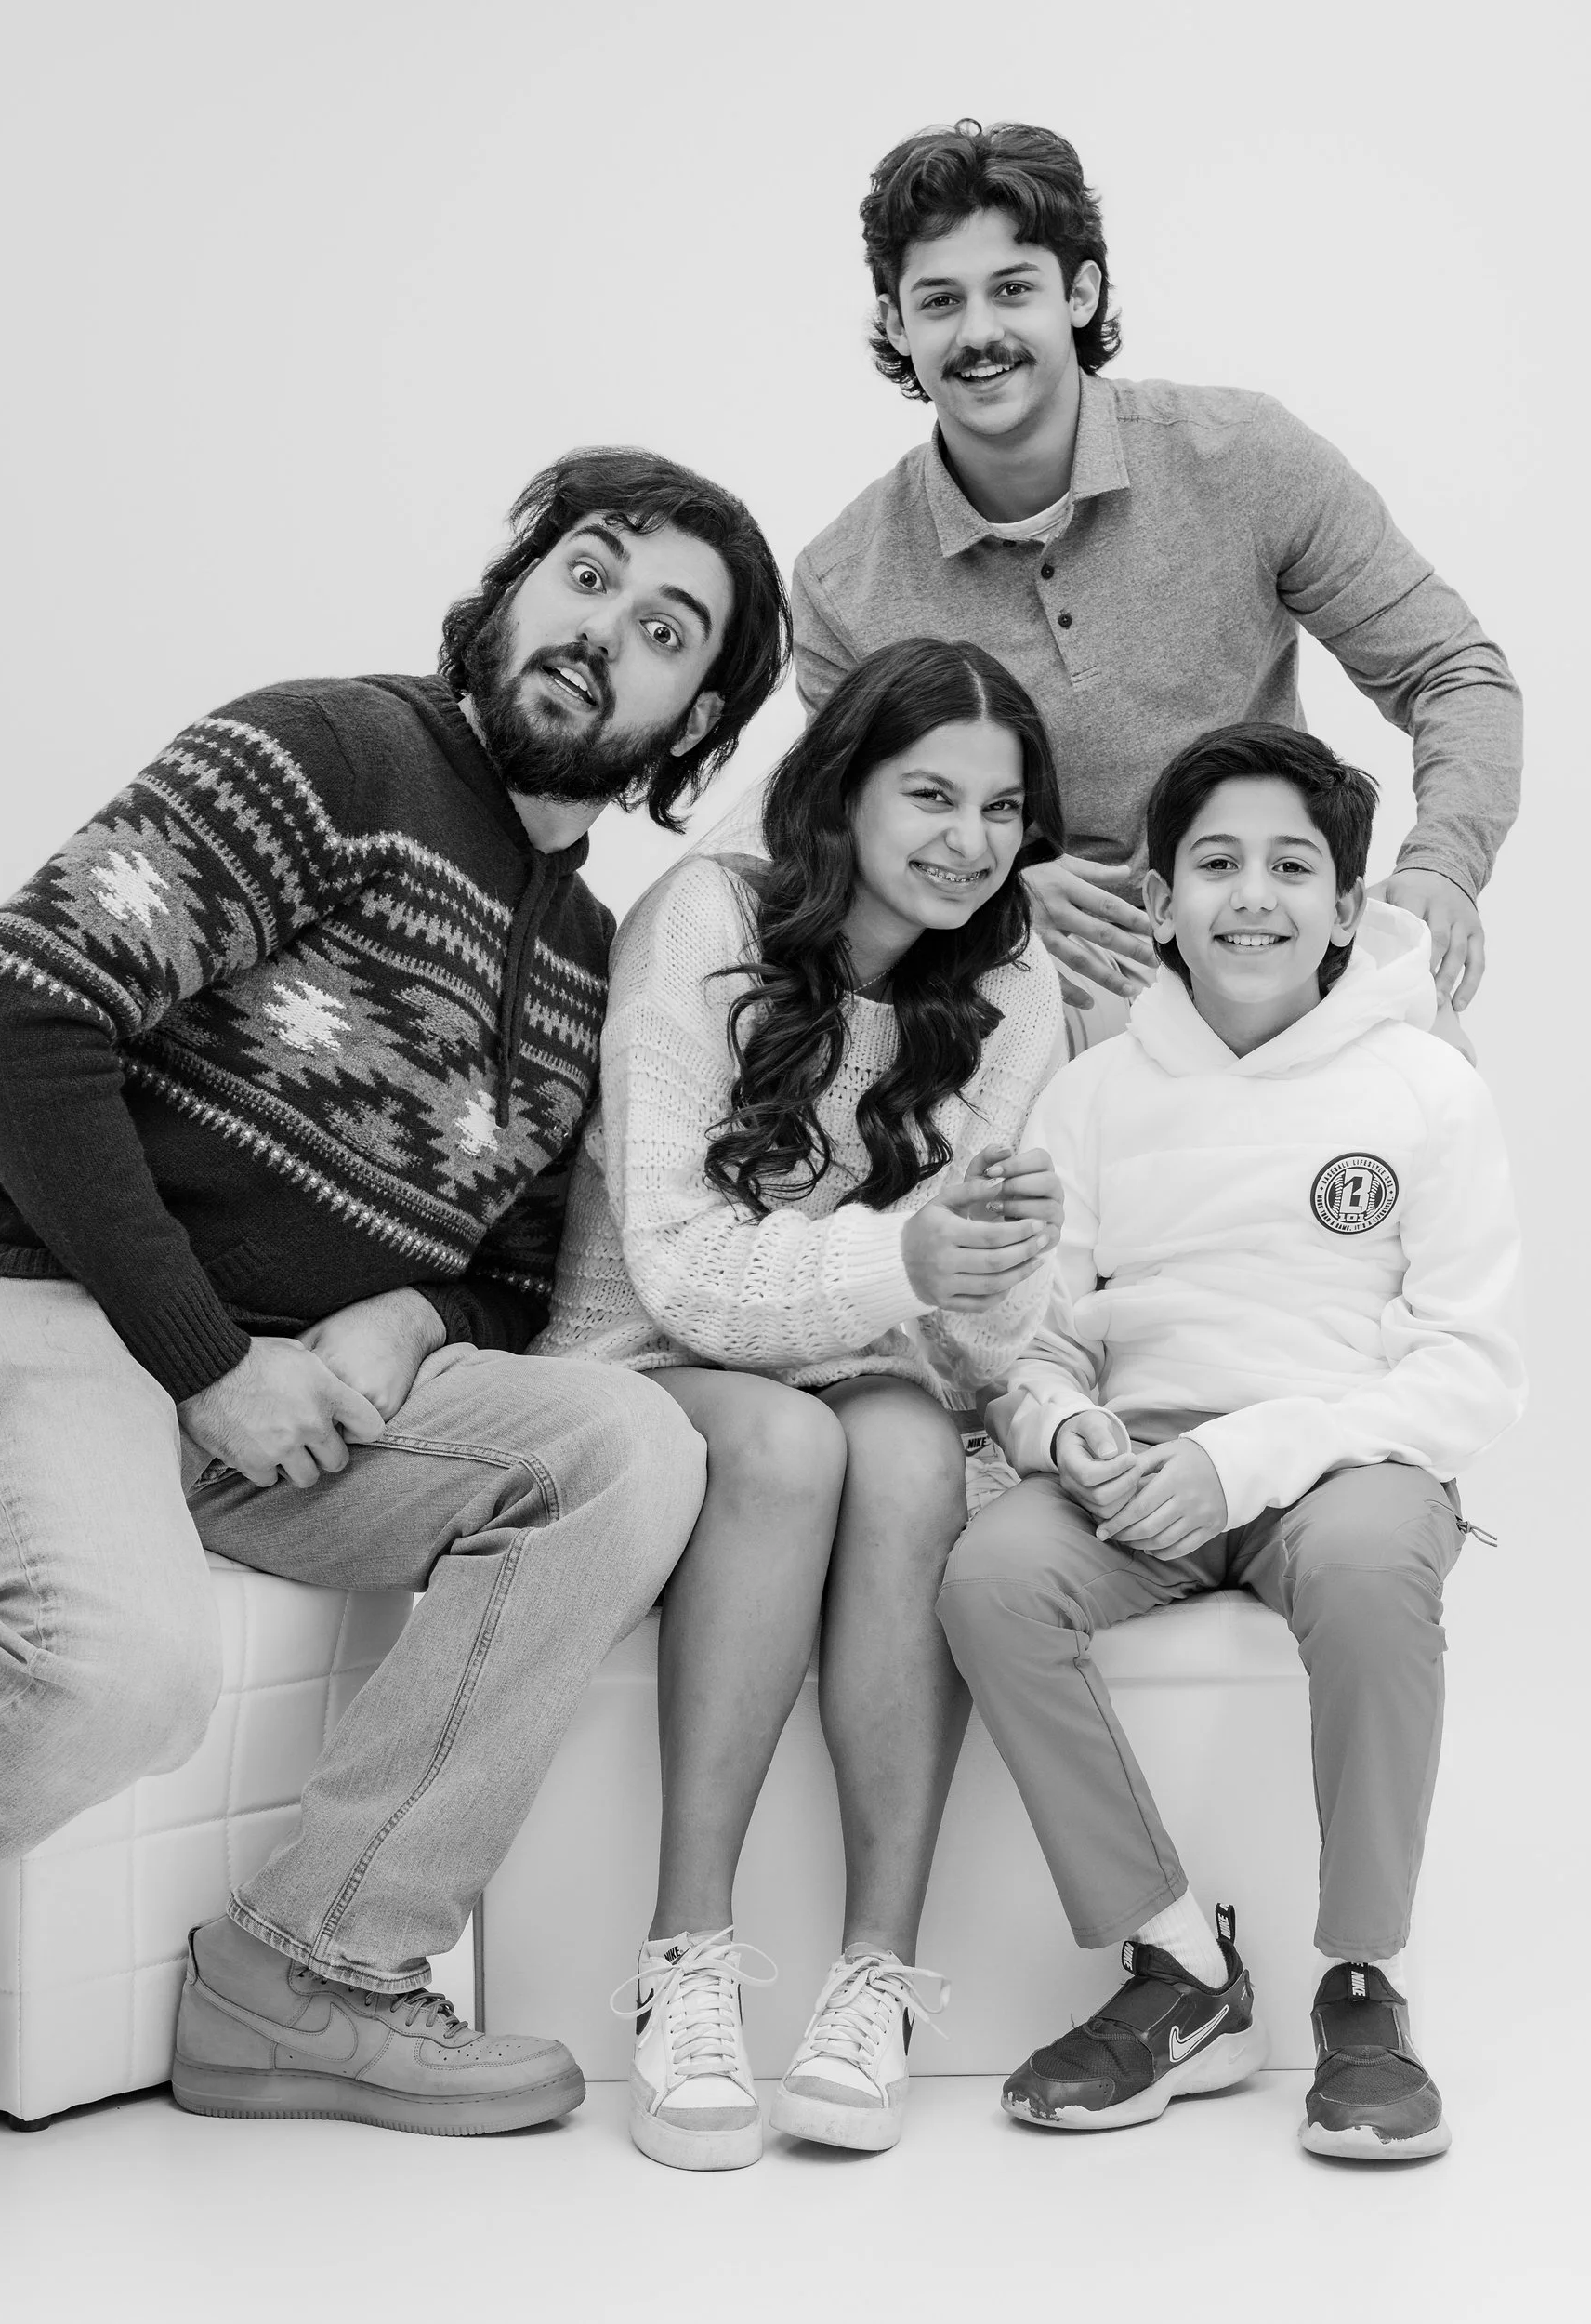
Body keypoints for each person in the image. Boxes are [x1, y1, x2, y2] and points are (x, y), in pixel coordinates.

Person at [0, 445, 790, 2174]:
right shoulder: (335, 751)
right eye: (587, 574)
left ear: (694, 727)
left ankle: (309, 1970)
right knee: (120, 1672)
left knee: (626, 1447)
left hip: (290, 1400)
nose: (605, 631)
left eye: (667, 629)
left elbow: (515, 1273)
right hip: (30, 1305)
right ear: (514, 583)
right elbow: (11, 1011)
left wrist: (397, 1325)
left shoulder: (592, 953)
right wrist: (209, 1363)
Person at [940, 722, 1525, 2161]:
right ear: (1157, 903)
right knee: (990, 1582)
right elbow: (1040, 1328)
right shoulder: (1092, 1095)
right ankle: (1181, 1972)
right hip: (1136, 1473)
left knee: (1381, 1561)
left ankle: (1364, 1987)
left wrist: (1249, 1458)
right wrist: (1062, 1425)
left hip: (1341, 1468)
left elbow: (1471, 1371)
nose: (1251, 895)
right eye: (1214, 864)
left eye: (1290, 866)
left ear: (1343, 907)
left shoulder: (1425, 1088)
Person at [537, 636, 1070, 2168]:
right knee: (783, 1445)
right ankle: (684, 1957)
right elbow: (677, 1269)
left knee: (910, 1462)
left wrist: (1002, 1265)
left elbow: (971, 1349)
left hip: (868, 1353)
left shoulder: (1016, 978)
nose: (970, 841)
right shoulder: (706, 919)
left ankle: (873, 1980)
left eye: (1002, 806)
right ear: (844, 791)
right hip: (645, 1346)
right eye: (931, 795)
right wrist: (909, 1252)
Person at [794, 120, 1521, 1055]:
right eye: (939, 300)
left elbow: (1454, 671)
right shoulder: (840, 584)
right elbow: (844, 836)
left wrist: (1443, 867)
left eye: (1012, 289)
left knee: (1429, 1070)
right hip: (1029, 986)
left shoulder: (1242, 456)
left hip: (1268, 934)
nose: (979, 334)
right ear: (896, 322)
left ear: (1080, 290)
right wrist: (1002, 878)